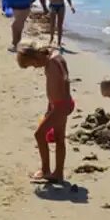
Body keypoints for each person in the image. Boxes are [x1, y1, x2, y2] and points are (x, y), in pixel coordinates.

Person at [17, 43, 74, 183]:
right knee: (59, 138)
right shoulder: (52, 59)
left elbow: (65, 80)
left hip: (61, 106)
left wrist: (61, 105)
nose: (35, 67)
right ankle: (58, 173)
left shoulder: (54, 62)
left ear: (35, 56)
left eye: (32, 65)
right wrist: (51, 106)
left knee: (39, 134)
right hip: (58, 105)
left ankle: (45, 169)